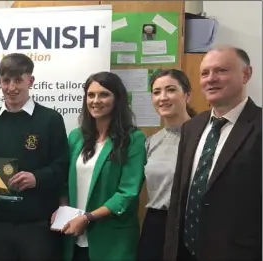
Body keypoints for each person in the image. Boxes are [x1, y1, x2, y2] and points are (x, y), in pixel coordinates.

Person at [163, 46, 262, 261]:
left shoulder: (259, 126)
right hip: (186, 252)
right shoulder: (192, 127)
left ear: (246, 74)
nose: (211, 79)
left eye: (221, 71)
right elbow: (179, 195)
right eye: (205, 73)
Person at [0, 53, 69, 260]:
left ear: (30, 81)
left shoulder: (51, 120)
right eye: (6, 80)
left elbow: (62, 166)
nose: (12, 87)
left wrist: (37, 178)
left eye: (18, 80)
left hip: (37, 226)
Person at [57, 71, 146, 261]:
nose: (96, 100)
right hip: (73, 236)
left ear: (117, 99)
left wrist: (87, 217)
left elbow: (127, 192)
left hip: (112, 239)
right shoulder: (76, 136)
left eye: (104, 94)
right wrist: (64, 210)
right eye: (91, 95)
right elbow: (63, 180)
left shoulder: (133, 139)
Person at [136, 69, 195, 261]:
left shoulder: (205, 136)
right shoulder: (151, 142)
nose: (163, 97)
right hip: (156, 223)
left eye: (170, 90)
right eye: (156, 92)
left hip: (192, 222)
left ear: (187, 95)